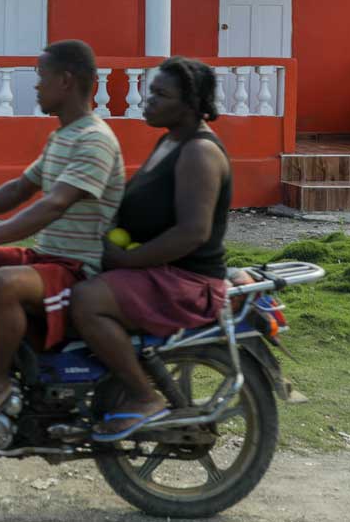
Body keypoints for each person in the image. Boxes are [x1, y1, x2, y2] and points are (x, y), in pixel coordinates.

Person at [0, 39, 125, 432]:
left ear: (65, 81)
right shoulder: (62, 137)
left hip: (81, 270)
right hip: (51, 259)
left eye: (41, 78)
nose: (36, 87)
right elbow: (19, 189)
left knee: (3, 281)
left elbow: (53, 204)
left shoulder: (95, 139)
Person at [69, 56, 232, 442]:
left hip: (186, 279)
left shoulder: (199, 152)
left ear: (190, 103)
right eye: (150, 91)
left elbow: (192, 232)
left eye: (161, 94)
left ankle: (144, 396)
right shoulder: (169, 140)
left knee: (86, 300)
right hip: (155, 268)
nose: (149, 100)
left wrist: (126, 259)